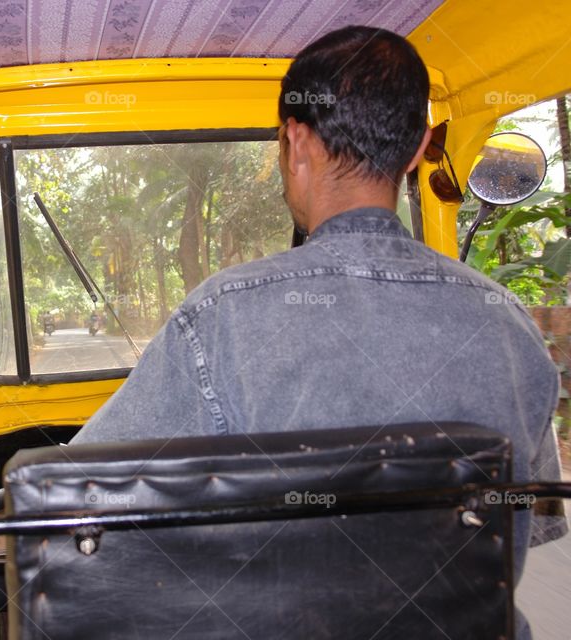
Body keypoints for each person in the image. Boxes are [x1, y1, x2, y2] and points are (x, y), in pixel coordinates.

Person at [70, 25, 566, 638]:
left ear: (296, 141)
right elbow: (532, 519)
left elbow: (80, 498)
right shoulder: (510, 325)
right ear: (416, 150)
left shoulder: (220, 318)